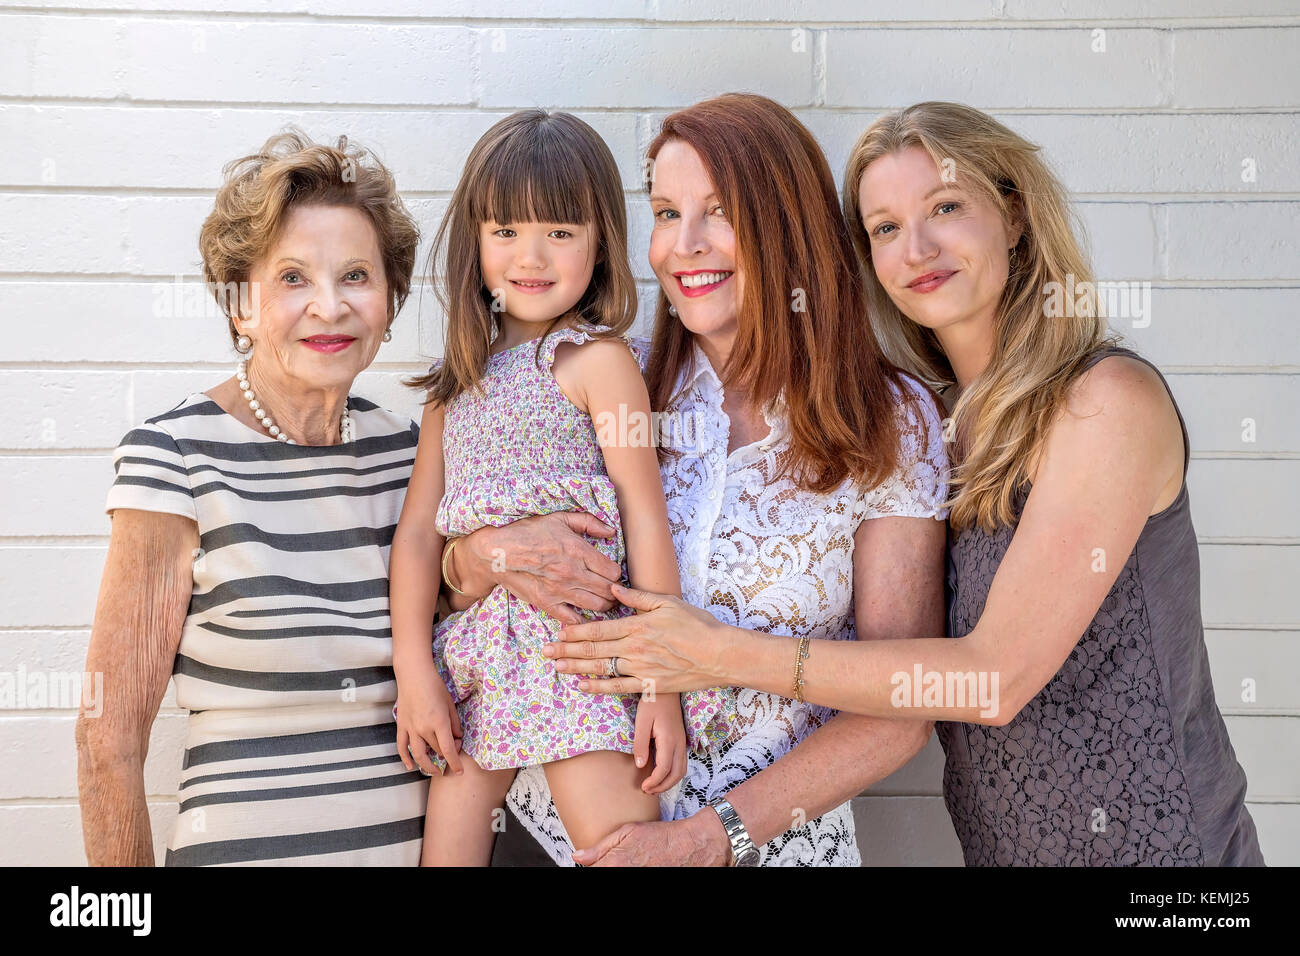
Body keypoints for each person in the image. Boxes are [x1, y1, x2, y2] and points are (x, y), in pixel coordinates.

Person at [548, 101, 1266, 866]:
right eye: (886, 228)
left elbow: (988, 680)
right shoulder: (946, 416)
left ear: (1016, 217)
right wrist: (481, 553)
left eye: (946, 208)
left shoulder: (1098, 402)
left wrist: (716, 657)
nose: (916, 247)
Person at [443, 93, 951, 866]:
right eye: (665, 213)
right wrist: (482, 557)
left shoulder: (891, 418)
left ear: (789, 226)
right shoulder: (608, 376)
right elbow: (460, 570)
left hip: (769, 847)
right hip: (558, 835)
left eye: (718, 213)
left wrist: (708, 836)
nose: (684, 246)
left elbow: (903, 710)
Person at [388, 109, 736, 866]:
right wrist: (413, 671)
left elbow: (646, 519)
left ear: (600, 242)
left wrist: (661, 688)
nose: (531, 255)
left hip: (580, 658)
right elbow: (418, 535)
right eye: (506, 230)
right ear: (474, 243)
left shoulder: (596, 363)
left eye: (561, 231)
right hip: (475, 660)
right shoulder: (455, 388)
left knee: (619, 853)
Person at [77, 129, 430, 865]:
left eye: (356, 276)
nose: (328, 307)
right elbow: (107, 739)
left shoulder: (416, 452)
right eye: (293, 278)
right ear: (241, 305)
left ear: (390, 300)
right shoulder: (175, 455)